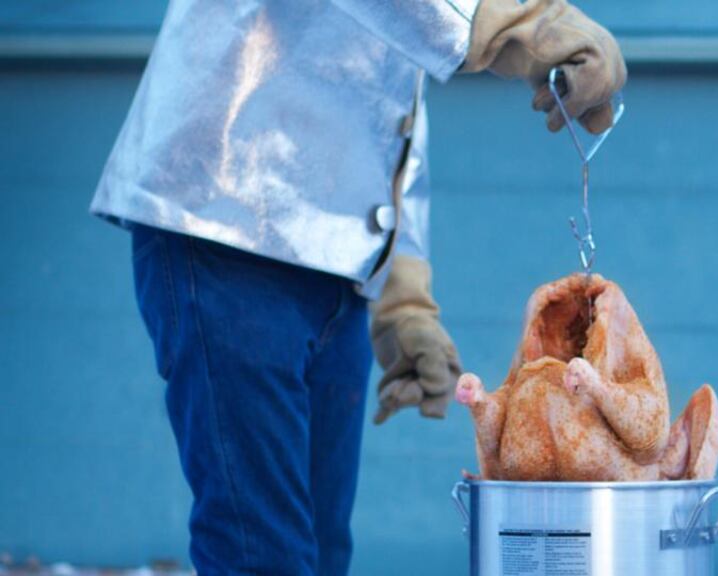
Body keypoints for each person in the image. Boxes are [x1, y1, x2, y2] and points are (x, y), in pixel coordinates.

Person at [90, 0, 626, 574]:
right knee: (263, 554)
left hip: (336, 266)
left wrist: (404, 292)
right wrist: (522, 19)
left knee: (321, 554)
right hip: (224, 223)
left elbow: (390, 103)